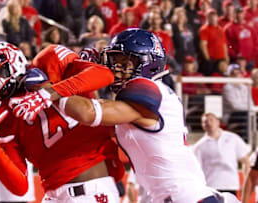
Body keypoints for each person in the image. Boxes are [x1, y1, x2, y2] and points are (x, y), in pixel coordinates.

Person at [12, 29, 239, 203]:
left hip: (188, 197)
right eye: (114, 62)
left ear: (148, 64)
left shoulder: (148, 89)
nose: (116, 70)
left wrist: (47, 89)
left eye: (125, 64)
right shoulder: (138, 100)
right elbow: (93, 124)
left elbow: (88, 112)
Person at [0, 42, 124, 202]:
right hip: (51, 195)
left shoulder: (48, 60)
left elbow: (104, 75)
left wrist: (49, 92)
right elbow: (20, 187)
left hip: (88, 190)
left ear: (13, 58)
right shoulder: (1, 116)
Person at [194, 112, 251, 196]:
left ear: (218, 122)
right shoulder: (198, 146)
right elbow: (196, 170)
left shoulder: (233, 138)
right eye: (205, 122)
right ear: (202, 125)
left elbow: (246, 161)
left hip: (231, 186)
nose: (209, 123)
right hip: (210, 187)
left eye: (211, 120)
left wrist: (246, 183)